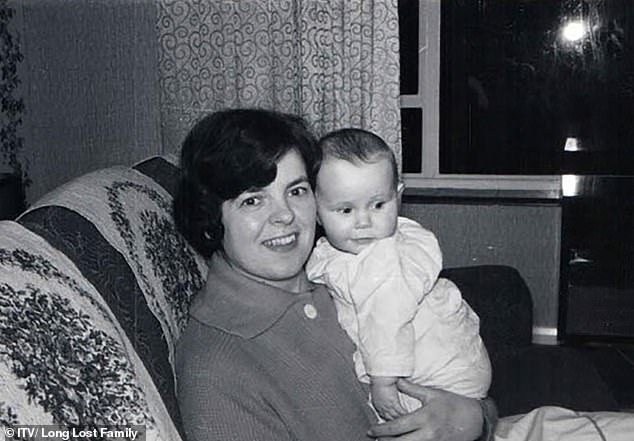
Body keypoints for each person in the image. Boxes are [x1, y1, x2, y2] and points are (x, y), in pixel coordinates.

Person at [173, 108, 497, 441]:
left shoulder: (338, 265)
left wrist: (474, 418)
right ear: (210, 217)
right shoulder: (216, 367)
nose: (284, 215)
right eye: (253, 200)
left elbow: (466, 397)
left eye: (297, 191)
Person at [305, 128, 491, 421]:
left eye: (378, 205)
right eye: (345, 210)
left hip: (435, 375)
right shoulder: (358, 250)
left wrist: (383, 381)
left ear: (398, 197)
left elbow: (386, 316)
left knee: (395, 422)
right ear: (316, 211)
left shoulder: (381, 258)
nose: (364, 222)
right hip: (447, 370)